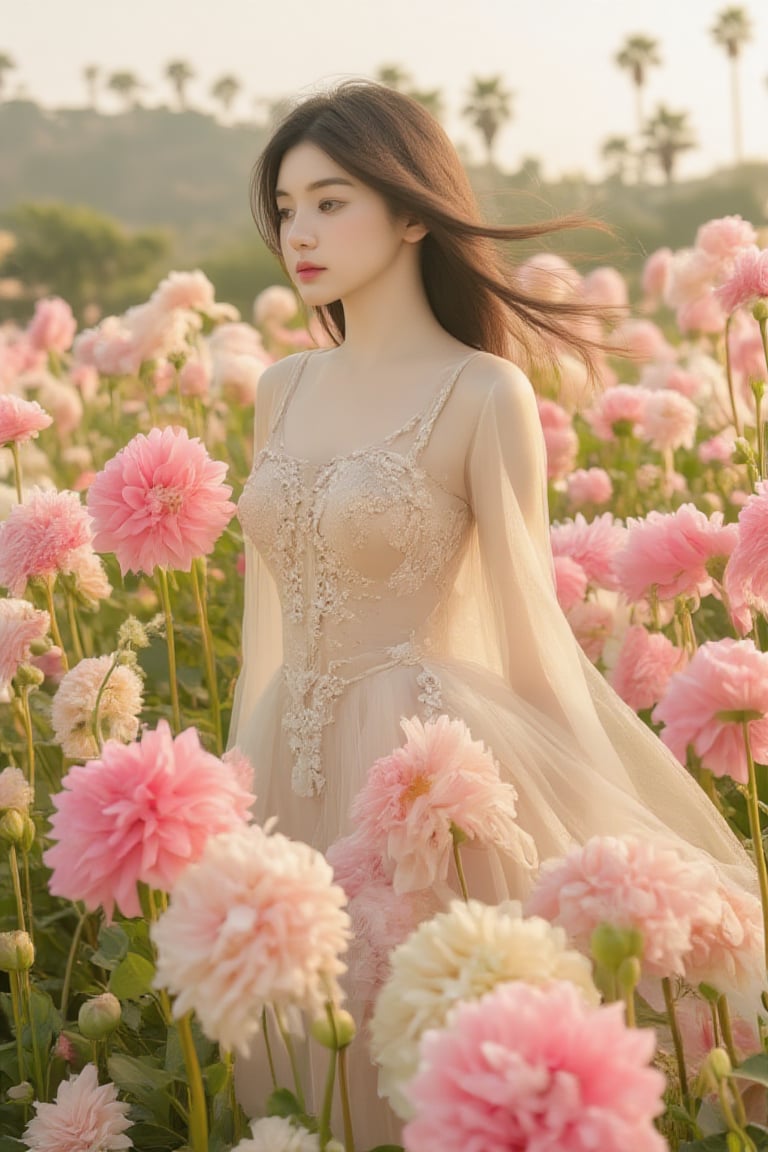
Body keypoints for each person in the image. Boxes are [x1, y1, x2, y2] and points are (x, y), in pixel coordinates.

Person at [229, 81, 756, 1144]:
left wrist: (592, 819)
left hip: (425, 775)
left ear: (414, 211)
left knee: (430, 1059)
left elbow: (532, 637)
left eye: (332, 202)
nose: (301, 234)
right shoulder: (280, 388)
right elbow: (265, 625)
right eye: (286, 208)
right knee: (301, 1076)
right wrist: (235, 788)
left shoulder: (481, 393)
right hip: (289, 751)